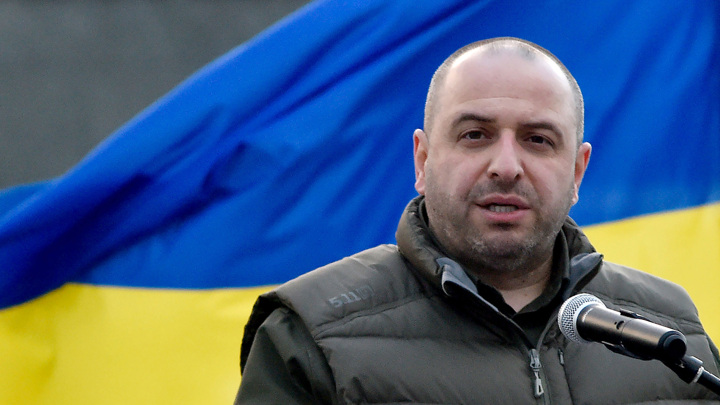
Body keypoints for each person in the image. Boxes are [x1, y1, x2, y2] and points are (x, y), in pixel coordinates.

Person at [234, 37, 720, 404]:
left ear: (577, 171)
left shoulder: (672, 333)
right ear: (423, 160)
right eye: (474, 135)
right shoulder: (313, 334)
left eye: (538, 140)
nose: (506, 166)